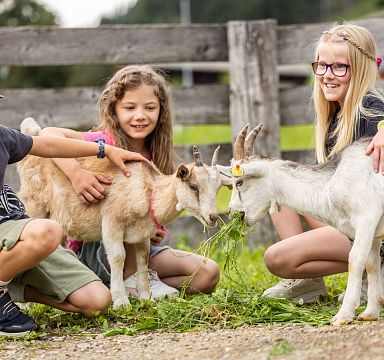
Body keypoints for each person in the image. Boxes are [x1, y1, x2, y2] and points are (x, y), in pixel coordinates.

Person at [37, 64, 220, 299]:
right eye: (130, 107)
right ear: (114, 110)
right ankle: (125, 283)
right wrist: (76, 174)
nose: (140, 115)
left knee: (207, 274)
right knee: (125, 225)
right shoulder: (103, 142)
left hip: (140, 247)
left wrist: (157, 228)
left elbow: (158, 208)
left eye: (150, 107)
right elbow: (47, 135)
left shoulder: (159, 156)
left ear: (161, 111)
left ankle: (138, 284)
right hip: (97, 246)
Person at [262, 24, 384, 304]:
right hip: (349, 220)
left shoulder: (373, 112)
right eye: (322, 65)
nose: (328, 75)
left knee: (277, 257)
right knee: (281, 189)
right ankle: (307, 284)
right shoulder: (337, 114)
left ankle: (372, 275)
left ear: (362, 69)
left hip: (375, 231)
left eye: (340, 67)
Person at [0, 118, 149, 336]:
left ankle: (9, 287)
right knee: (48, 232)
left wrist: (105, 150)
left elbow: (48, 145)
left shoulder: (3, 137)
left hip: (14, 233)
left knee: (97, 301)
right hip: (23, 235)